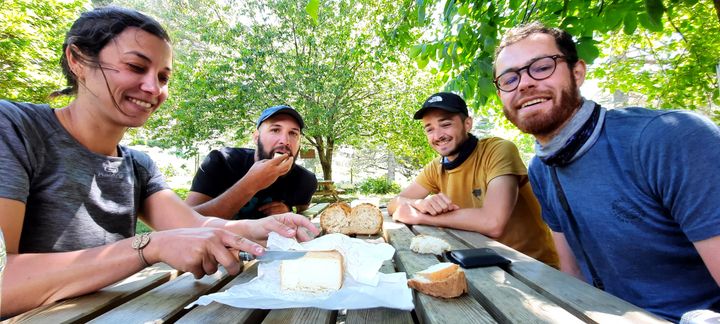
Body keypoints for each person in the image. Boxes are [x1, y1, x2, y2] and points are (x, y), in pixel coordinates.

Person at [0, 7, 319, 317]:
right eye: (136, 67)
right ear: (78, 60)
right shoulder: (14, 128)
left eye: (163, 77)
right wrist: (147, 246)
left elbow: (195, 225)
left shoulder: (138, 166)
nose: (154, 88)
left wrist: (261, 228)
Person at [493, 21, 720, 321]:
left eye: (541, 66)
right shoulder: (541, 168)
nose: (523, 84)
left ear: (578, 73)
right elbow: (573, 272)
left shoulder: (670, 138)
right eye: (509, 78)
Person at [388, 92, 559, 268]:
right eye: (429, 129)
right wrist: (420, 204)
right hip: (479, 261)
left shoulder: (497, 151)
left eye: (445, 124)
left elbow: (493, 222)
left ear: (467, 124)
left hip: (531, 267)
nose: (437, 135)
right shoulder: (436, 167)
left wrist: (420, 217)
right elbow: (394, 203)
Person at [186, 105, 317, 220]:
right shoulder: (221, 161)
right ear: (256, 137)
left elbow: (302, 212)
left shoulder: (305, 180)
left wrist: (289, 211)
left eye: (293, 133)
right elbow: (185, 220)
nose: (285, 140)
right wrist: (252, 183)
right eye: (275, 130)